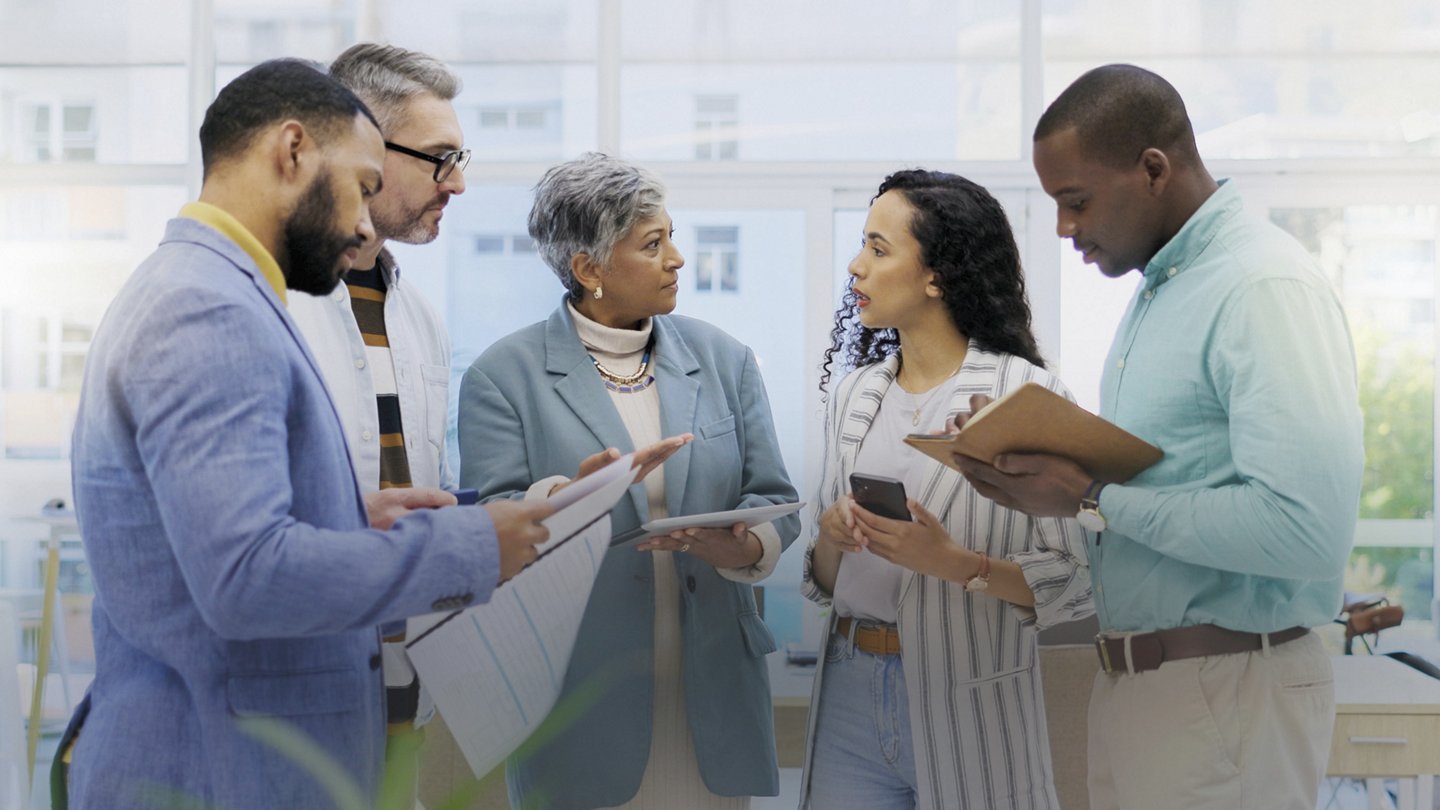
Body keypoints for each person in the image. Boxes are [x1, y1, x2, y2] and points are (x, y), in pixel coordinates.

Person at [62, 59, 550, 810]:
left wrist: (353, 517)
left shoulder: (212, 290)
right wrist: (475, 546)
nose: (363, 222)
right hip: (217, 767)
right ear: (291, 152)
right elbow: (246, 579)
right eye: (360, 186)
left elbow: (214, 538)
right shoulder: (207, 309)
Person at [954, 64, 1363, 809]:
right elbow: (1164, 484)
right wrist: (1037, 467)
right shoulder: (1167, 291)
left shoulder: (1260, 286)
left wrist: (1091, 497)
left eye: (1074, 201)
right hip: (1148, 690)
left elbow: (1307, 531)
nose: (1063, 228)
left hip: (1227, 688)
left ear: (1152, 170)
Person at [458, 153, 801, 809]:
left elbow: (776, 498)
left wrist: (749, 546)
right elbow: (491, 523)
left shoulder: (725, 359)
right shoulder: (504, 377)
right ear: (590, 269)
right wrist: (568, 500)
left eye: (672, 235)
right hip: (580, 709)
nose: (677, 257)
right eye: (653, 243)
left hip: (715, 706)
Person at [799, 170, 1091, 810]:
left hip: (969, 693)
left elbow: (1074, 580)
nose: (856, 266)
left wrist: (955, 565)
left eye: (878, 249)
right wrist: (828, 538)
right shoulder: (855, 396)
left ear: (935, 275)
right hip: (849, 690)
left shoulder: (1024, 396)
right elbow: (821, 579)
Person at [287, 42, 468, 790]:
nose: (457, 183)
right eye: (440, 158)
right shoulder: (274, 306)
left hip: (405, 701)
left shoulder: (421, 318)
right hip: (299, 707)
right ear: (364, 145)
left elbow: (432, 485)